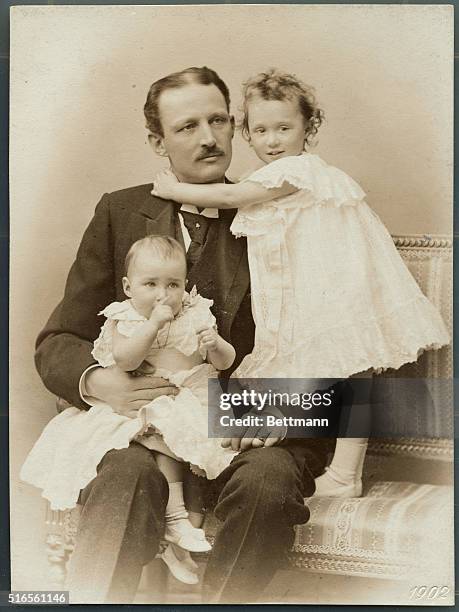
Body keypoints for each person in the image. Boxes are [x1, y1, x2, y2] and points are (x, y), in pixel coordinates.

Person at [34, 66, 325, 604]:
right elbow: (58, 341)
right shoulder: (120, 211)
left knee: (265, 482)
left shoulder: (289, 213)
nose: (210, 138)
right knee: (124, 473)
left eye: (219, 120)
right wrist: (101, 382)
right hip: (148, 422)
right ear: (157, 141)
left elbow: (337, 343)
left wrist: (282, 410)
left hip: (251, 424)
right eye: (187, 126)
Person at [152, 68, 450, 499]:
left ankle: (346, 473)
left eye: (284, 128)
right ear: (248, 135)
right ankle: (342, 471)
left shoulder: (298, 170)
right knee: (347, 373)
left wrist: (174, 188)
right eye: (261, 130)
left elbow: (233, 198)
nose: (273, 141)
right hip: (317, 286)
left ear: (308, 130)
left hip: (332, 286)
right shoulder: (282, 175)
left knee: (350, 370)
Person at [23, 234, 240, 581]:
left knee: (201, 456)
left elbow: (226, 361)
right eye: (150, 284)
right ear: (128, 286)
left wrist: (215, 345)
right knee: (164, 442)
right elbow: (125, 360)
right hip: (146, 400)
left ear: (186, 285)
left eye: (173, 284)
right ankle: (174, 520)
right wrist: (154, 323)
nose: (162, 294)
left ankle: (177, 542)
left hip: (191, 397)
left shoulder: (197, 312)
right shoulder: (125, 318)